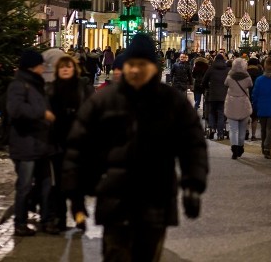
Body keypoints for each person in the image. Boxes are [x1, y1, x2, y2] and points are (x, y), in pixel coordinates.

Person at [63, 34, 208, 262]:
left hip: (156, 199)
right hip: (115, 199)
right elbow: (79, 147)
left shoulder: (171, 102)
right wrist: (76, 192)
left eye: (142, 65)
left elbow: (193, 145)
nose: (136, 70)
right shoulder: (104, 101)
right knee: (116, 255)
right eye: (132, 65)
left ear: (153, 68)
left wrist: (193, 184)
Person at [7, 49, 55, 236]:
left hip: (41, 143)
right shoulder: (19, 85)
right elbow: (16, 109)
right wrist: (42, 114)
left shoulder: (36, 84)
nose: (43, 67)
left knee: (46, 184)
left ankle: (46, 220)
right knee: (25, 186)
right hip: (25, 143)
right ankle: (20, 222)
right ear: (33, 67)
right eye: (41, 64)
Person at [48, 55, 94, 232]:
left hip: (78, 143)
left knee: (77, 182)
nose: (65, 70)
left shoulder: (82, 87)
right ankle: (59, 219)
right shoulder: (52, 89)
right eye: (62, 68)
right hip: (58, 142)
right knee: (58, 183)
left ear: (75, 69)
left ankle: (79, 215)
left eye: (68, 67)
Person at [224, 58, 253, 159]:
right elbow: (250, 84)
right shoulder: (247, 77)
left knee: (233, 129)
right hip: (243, 104)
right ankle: (240, 147)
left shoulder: (229, 77)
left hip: (231, 104)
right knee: (242, 129)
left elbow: (225, 84)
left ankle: (234, 148)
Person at [202, 53, 230, 140]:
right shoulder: (227, 70)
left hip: (212, 94)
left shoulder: (211, 69)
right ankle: (220, 133)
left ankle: (212, 128)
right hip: (223, 95)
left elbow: (204, 81)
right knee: (221, 113)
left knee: (211, 112)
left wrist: (207, 87)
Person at [246, 57, 263, 141]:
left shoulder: (245, 73)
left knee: (245, 115)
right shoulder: (260, 73)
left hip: (246, 95)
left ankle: (246, 131)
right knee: (255, 117)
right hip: (256, 96)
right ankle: (253, 134)